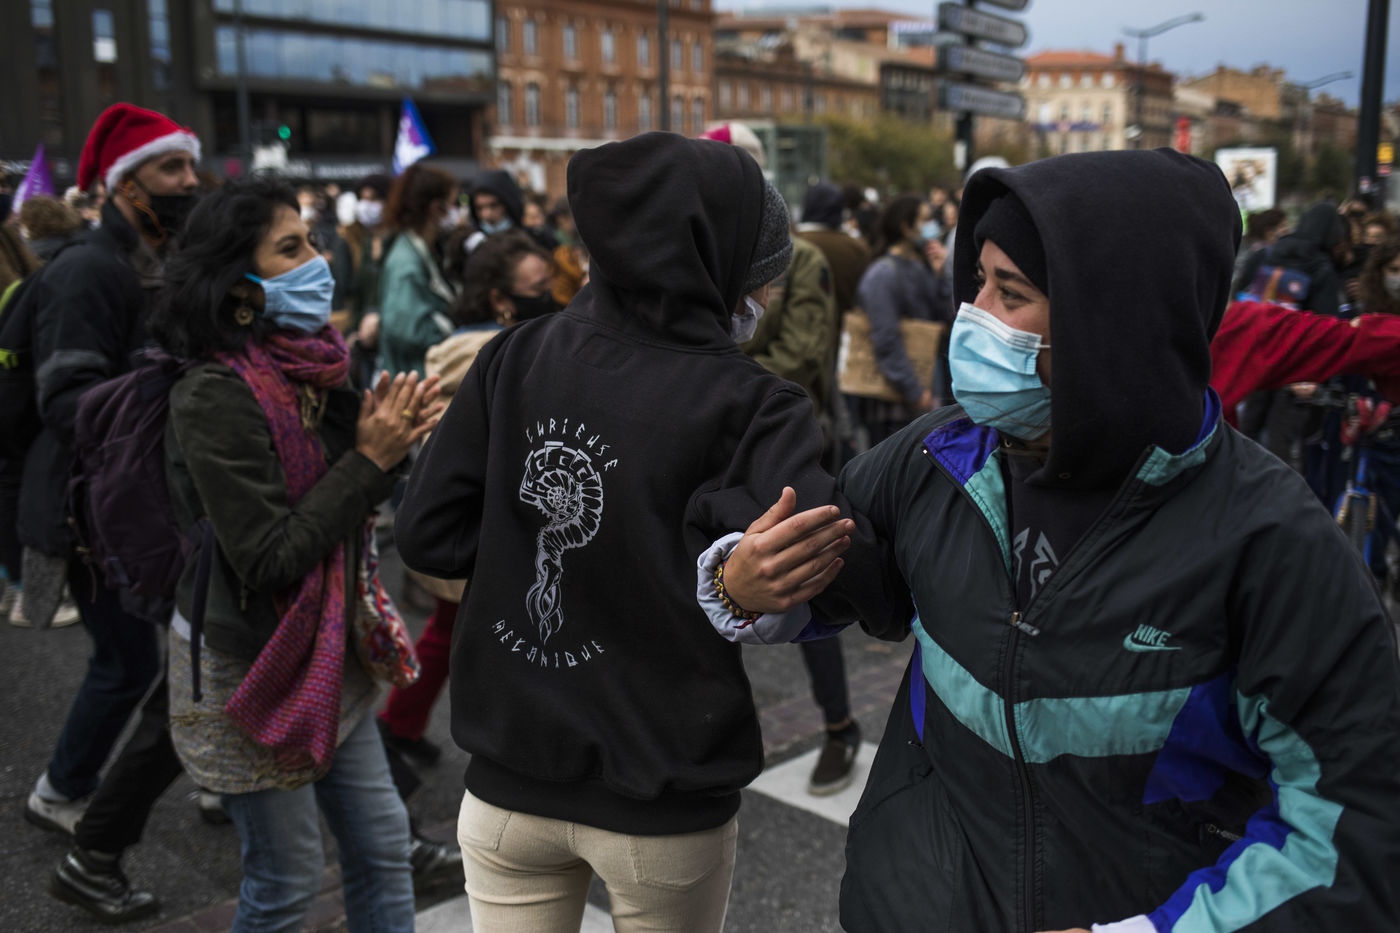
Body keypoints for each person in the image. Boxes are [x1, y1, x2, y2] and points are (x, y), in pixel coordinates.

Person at [710, 148, 1400, 931]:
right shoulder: (939, 455)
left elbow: (1348, 829)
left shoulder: (1272, 543)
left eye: (1011, 293)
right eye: (978, 281)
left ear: (1112, 322)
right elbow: (845, 572)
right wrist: (743, 583)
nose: (972, 314)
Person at [394, 131, 885, 932]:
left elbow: (427, 535)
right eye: (759, 275)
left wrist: (527, 542)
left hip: (509, 772)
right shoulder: (751, 403)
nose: (762, 296)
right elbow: (834, 565)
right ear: (715, 266)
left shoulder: (515, 356)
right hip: (661, 789)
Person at [149, 174, 439, 932]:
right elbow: (269, 556)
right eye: (291, 248)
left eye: (312, 239)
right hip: (253, 660)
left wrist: (393, 438)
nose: (320, 260)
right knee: (286, 881)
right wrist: (371, 459)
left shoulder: (318, 363)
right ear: (237, 286)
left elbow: (350, 497)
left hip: (328, 646)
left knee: (383, 849)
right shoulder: (213, 393)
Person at [22, 103, 201, 836]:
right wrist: (172, 387)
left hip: (137, 503)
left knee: (177, 651)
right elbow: (64, 398)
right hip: (86, 512)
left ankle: (214, 776)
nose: (189, 181)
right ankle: (61, 791)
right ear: (125, 184)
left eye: (190, 165)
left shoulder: (162, 264)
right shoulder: (88, 271)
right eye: (171, 167)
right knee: (128, 664)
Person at [849, 194, 953, 446]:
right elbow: (886, 339)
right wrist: (914, 391)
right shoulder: (882, 274)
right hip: (895, 402)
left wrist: (941, 276)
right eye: (924, 220)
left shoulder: (920, 265)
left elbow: (945, 317)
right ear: (906, 227)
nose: (931, 227)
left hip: (926, 390)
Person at [378, 162, 459, 378]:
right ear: (436, 208)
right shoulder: (406, 263)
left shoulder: (424, 251)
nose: (457, 213)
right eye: (453, 204)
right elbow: (406, 330)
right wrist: (456, 330)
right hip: (415, 380)